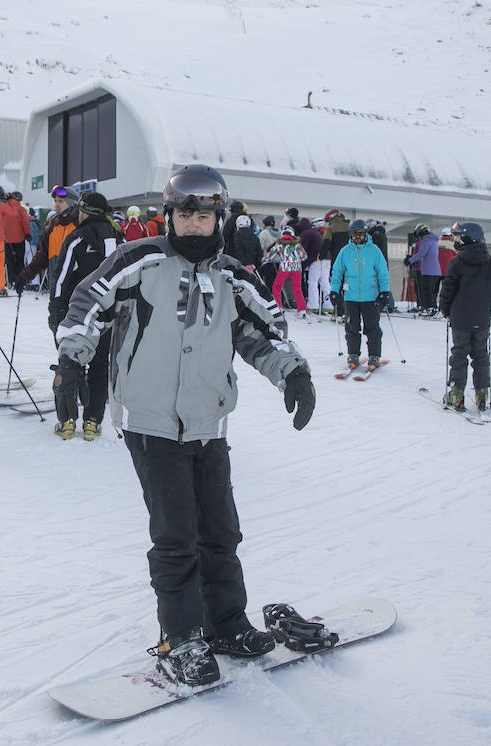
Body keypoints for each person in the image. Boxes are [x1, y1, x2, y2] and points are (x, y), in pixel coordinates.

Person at [53, 164, 315, 687]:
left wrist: (294, 374)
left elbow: (264, 332)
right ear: (168, 216)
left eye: (203, 215)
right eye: (183, 215)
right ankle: (182, 637)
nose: (193, 224)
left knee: (220, 532)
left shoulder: (236, 276)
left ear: (218, 216)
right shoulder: (138, 260)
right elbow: (86, 303)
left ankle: (227, 624)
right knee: (176, 536)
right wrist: (72, 361)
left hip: (208, 423)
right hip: (150, 422)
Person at [47, 191, 121, 441]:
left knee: (70, 363)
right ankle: (92, 422)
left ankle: (67, 422)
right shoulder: (117, 238)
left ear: (85, 212)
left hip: (76, 313)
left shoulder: (77, 238)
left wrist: (56, 312)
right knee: (101, 366)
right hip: (108, 315)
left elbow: (61, 278)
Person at [438, 222, 491, 413]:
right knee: (481, 356)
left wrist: (446, 310)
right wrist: (484, 305)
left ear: (468, 238)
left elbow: (448, 290)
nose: (456, 241)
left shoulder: (457, 262)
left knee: (459, 355)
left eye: (458, 237)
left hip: (460, 318)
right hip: (482, 319)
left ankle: (456, 394)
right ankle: (482, 395)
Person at [330, 219, 390, 372]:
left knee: (372, 328)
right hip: (351, 297)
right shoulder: (345, 252)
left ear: (365, 234)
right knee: (351, 328)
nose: (358, 237)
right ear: (351, 235)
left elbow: (383, 273)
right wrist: (334, 291)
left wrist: (384, 292)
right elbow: (337, 273)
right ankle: (353, 354)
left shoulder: (374, 251)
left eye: (361, 234)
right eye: (355, 234)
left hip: (370, 297)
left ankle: (374, 355)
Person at [20, 185, 82, 297]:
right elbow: (43, 255)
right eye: (55, 201)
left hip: (76, 288)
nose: (56, 204)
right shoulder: (54, 225)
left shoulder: (80, 224)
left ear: (72, 202)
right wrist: (25, 276)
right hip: (56, 287)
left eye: (61, 201)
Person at [313, 209, 347, 315]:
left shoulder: (330, 229)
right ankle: (350, 313)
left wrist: (320, 257)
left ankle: (339, 312)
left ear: (331, 218)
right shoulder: (350, 227)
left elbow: (325, 246)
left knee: (338, 286)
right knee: (349, 287)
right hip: (352, 263)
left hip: (337, 262)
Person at [267, 227, 307, 318]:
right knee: (297, 289)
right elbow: (304, 256)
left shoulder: (279, 244)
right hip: (297, 268)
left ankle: (279, 308)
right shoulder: (297, 244)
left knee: (276, 287)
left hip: (284, 267)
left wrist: (264, 261)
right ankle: (302, 310)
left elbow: (270, 256)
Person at [409, 224, 441, 316]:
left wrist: (410, 260)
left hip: (428, 269)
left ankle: (430, 308)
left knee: (426, 289)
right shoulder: (432, 240)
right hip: (435, 269)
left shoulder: (427, 240)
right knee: (431, 290)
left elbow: (422, 253)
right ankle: (433, 308)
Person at [3, 190, 32, 293]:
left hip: (6, 239)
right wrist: (27, 233)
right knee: (20, 261)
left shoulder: (4, 208)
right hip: (19, 238)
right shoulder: (21, 209)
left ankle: (10, 280)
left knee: (9, 261)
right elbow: (25, 222)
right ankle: (20, 281)